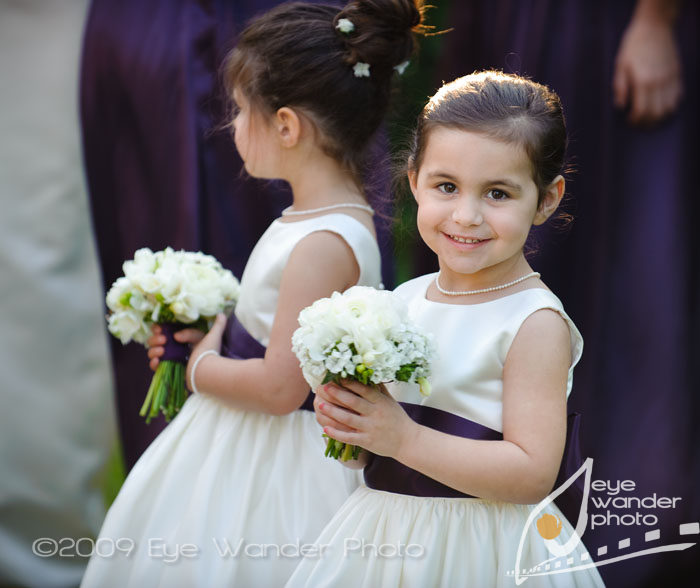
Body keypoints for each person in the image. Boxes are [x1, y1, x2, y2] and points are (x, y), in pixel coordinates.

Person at [80, 1, 425, 586]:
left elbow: (276, 386)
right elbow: (275, 332)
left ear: (287, 125)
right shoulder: (318, 218)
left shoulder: (322, 239)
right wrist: (218, 326)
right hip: (252, 440)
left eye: (241, 110)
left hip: (275, 464)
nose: (231, 126)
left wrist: (194, 365)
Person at [287, 71, 606, 587]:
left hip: (483, 548)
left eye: (498, 193)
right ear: (414, 181)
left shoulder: (533, 322)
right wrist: (354, 426)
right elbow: (379, 451)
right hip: (383, 536)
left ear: (547, 199)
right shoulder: (403, 299)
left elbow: (531, 474)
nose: (466, 215)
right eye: (446, 186)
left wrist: (401, 437)